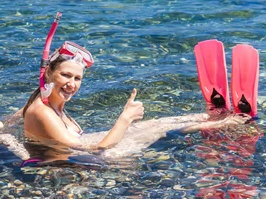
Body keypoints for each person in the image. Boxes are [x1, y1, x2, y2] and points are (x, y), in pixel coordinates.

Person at [23, 42, 250, 162]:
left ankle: (208, 114)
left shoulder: (43, 101)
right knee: (158, 132)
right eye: (65, 75)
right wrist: (125, 118)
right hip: (97, 157)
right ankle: (222, 123)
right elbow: (98, 148)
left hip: (91, 147)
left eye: (77, 78)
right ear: (49, 73)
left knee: (154, 123)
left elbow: (20, 117)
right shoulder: (42, 110)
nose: (71, 83)